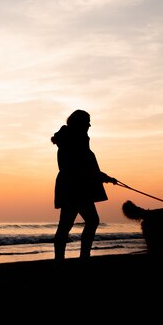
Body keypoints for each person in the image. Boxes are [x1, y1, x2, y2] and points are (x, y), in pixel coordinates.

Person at [51, 109, 117, 262]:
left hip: (72, 186)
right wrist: (102, 177)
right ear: (79, 123)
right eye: (87, 121)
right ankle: (81, 257)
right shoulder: (74, 140)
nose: (89, 125)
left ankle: (62, 259)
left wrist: (103, 177)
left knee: (67, 224)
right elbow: (81, 167)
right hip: (76, 187)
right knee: (88, 221)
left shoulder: (72, 139)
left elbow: (86, 166)